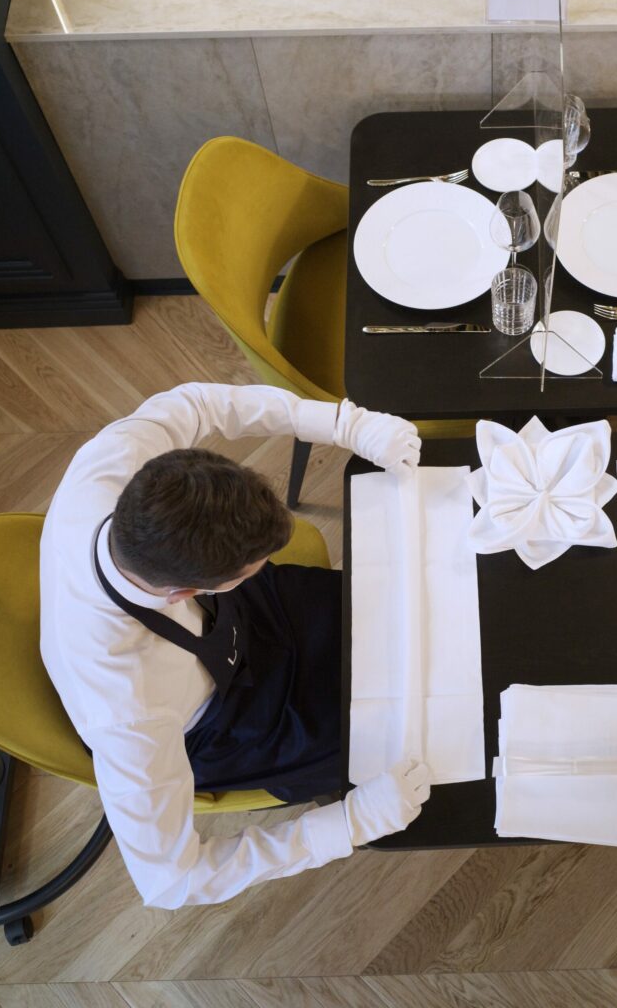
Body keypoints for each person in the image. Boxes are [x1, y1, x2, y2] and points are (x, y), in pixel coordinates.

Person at [40, 382, 432, 909]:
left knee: (400, 606)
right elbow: (170, 882)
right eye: (252, 566)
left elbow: (198, 404)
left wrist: (344, 424)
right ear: (187, 591)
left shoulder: (114, 463)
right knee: (401, 732)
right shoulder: (128, 714)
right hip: (228, 722)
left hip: (246, 618)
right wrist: (346, 824)